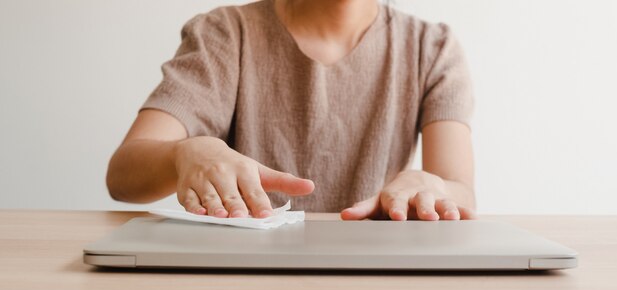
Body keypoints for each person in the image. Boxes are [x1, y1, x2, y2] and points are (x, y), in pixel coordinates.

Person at [106, 0, 476, 221]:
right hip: (243, 284)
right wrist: (183, 154)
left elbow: (461, 192)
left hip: (375, 288)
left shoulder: (432, 48)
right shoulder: (226, 34)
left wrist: (432, 188)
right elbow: (123, 176)